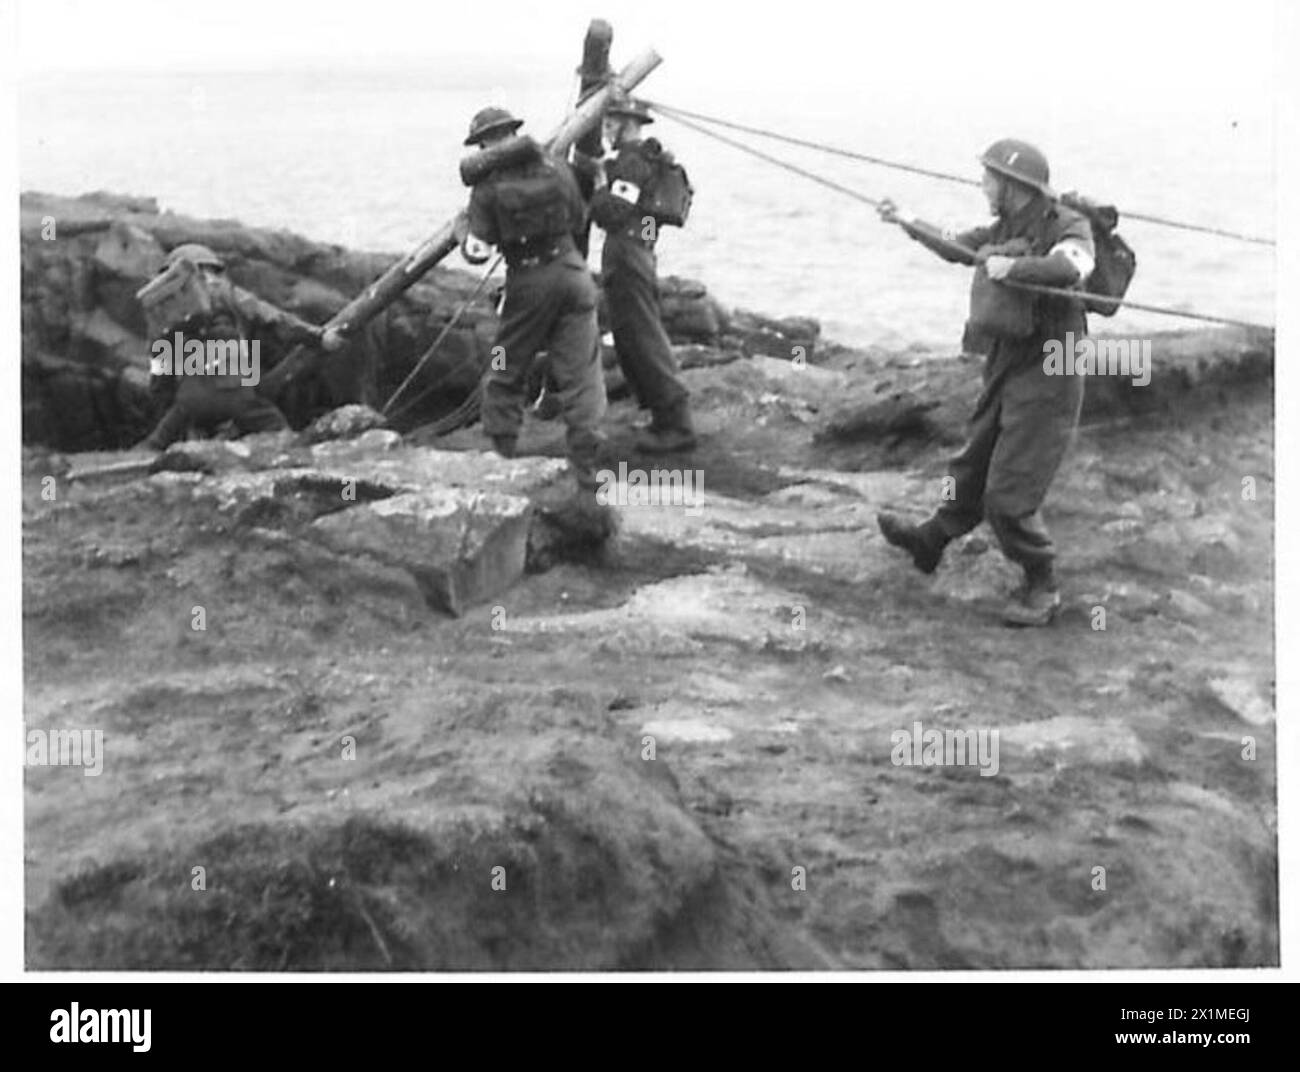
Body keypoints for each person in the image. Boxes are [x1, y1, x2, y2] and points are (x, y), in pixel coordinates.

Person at [875, 139, 1096, 627]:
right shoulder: (1005, 225)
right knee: (973, 460)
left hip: (1053, 360)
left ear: (1012, 185)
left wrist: (1016, 267)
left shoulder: (1067, 225)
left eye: (988, 179)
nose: (983, 186)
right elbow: (958, 244)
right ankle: (931, 539)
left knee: (1010, 489)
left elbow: (1076, 265)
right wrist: (906, 219)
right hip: (1008, 355)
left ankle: (1042, 582)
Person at [458, 106, 606, 485]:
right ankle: (586, 470)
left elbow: (478, 251)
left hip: (528, 285)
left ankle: (502, 452)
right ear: (514, 132)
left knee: (504, 361)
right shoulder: (557, 167)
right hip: (574, 275)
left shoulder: (487, 187)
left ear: (485, 144)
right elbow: (578, 217)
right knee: (582, 373)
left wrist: (463, 231)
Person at [138, 243, 343, 449]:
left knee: (157, 443)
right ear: (214, 269)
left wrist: (169, 406)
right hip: (238, 397)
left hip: (189, 402)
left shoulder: (163, 316)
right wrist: (319, 337)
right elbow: (277, 321)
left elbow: (160, 376)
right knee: (281, 433)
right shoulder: (231, 294)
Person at [588, 97, 696, 453]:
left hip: (627, 252)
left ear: (627, 124)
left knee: (641, 334)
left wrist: (601, 181)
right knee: (630, 335)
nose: (605, 131)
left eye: (610, 123)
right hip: (638, 249)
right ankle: (661, 416)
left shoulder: (630, 162)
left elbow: (612, 213)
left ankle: (676, 424)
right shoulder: (645, 159)